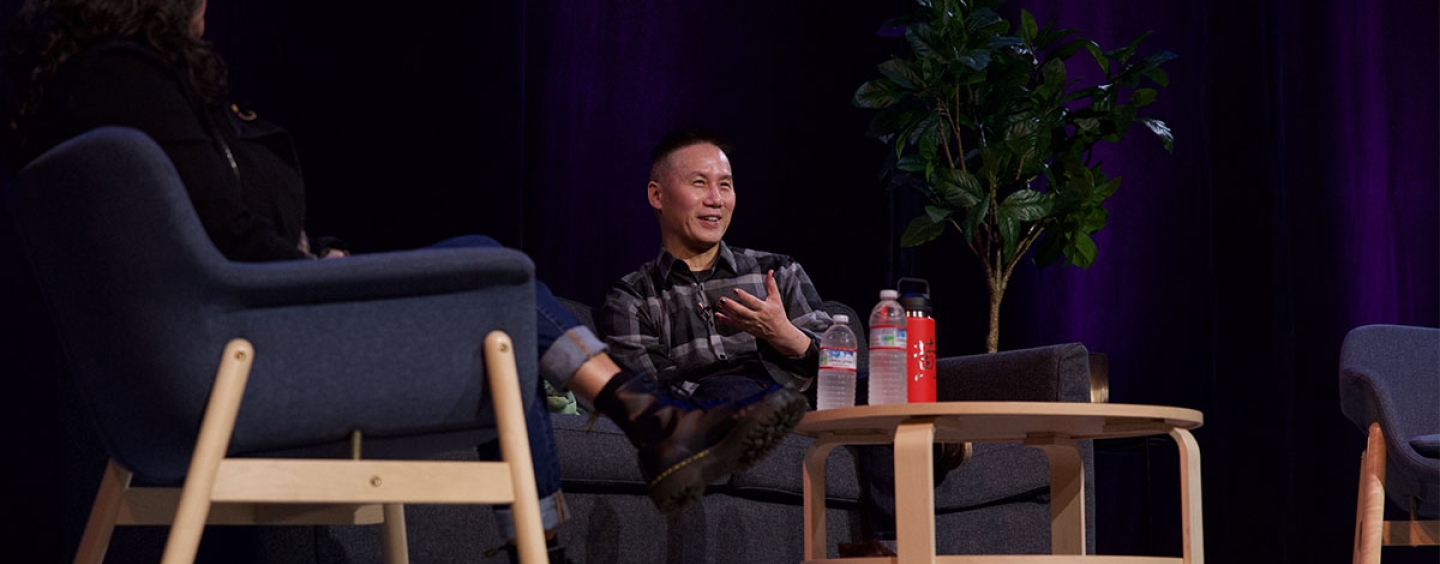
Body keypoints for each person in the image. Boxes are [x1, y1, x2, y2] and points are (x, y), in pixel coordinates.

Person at [1, 2, 807, 562]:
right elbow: (232, 238)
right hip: (242, 363)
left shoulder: (84, 98)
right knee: (493, 274)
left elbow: (214, 236)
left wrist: (319, 261)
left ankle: (635, 438)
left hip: (189, 366)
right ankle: (641, 424)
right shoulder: (128, 81)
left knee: (491, 287)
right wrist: (315, 275)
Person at [598, 128, 968, 556]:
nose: (716, 199)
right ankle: (938, 445)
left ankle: (893, 548)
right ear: (657, 195)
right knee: (727, 389)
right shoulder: (632, 296)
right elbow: (648, 391)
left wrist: (785, 335)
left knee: (879, 388)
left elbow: (837, 356)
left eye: (725, 185)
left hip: (808, 393)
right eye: (699, 183)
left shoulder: (777, 270)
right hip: (723, 404)